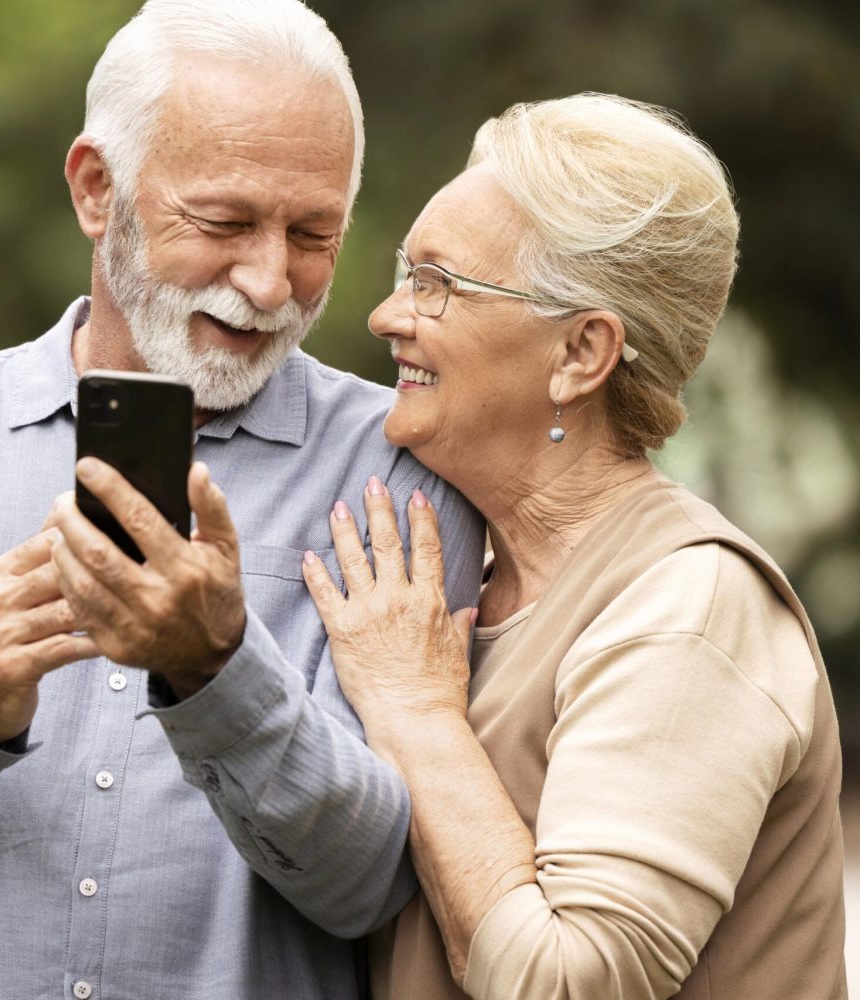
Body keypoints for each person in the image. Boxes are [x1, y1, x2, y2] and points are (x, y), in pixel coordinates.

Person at [0, 2, 486, 997]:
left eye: (314, 232)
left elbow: (379, 887)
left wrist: (218, 670)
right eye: (224, 222)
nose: (271, 283)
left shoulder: (402, 469)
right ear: (98, 191)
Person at [301, 93, 847, 999]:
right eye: (407, 272)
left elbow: (565, 984)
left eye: (437, 283)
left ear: (580, 354)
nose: (388, 314)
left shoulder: (689, 609)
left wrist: (414, 714)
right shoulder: (449, 586)